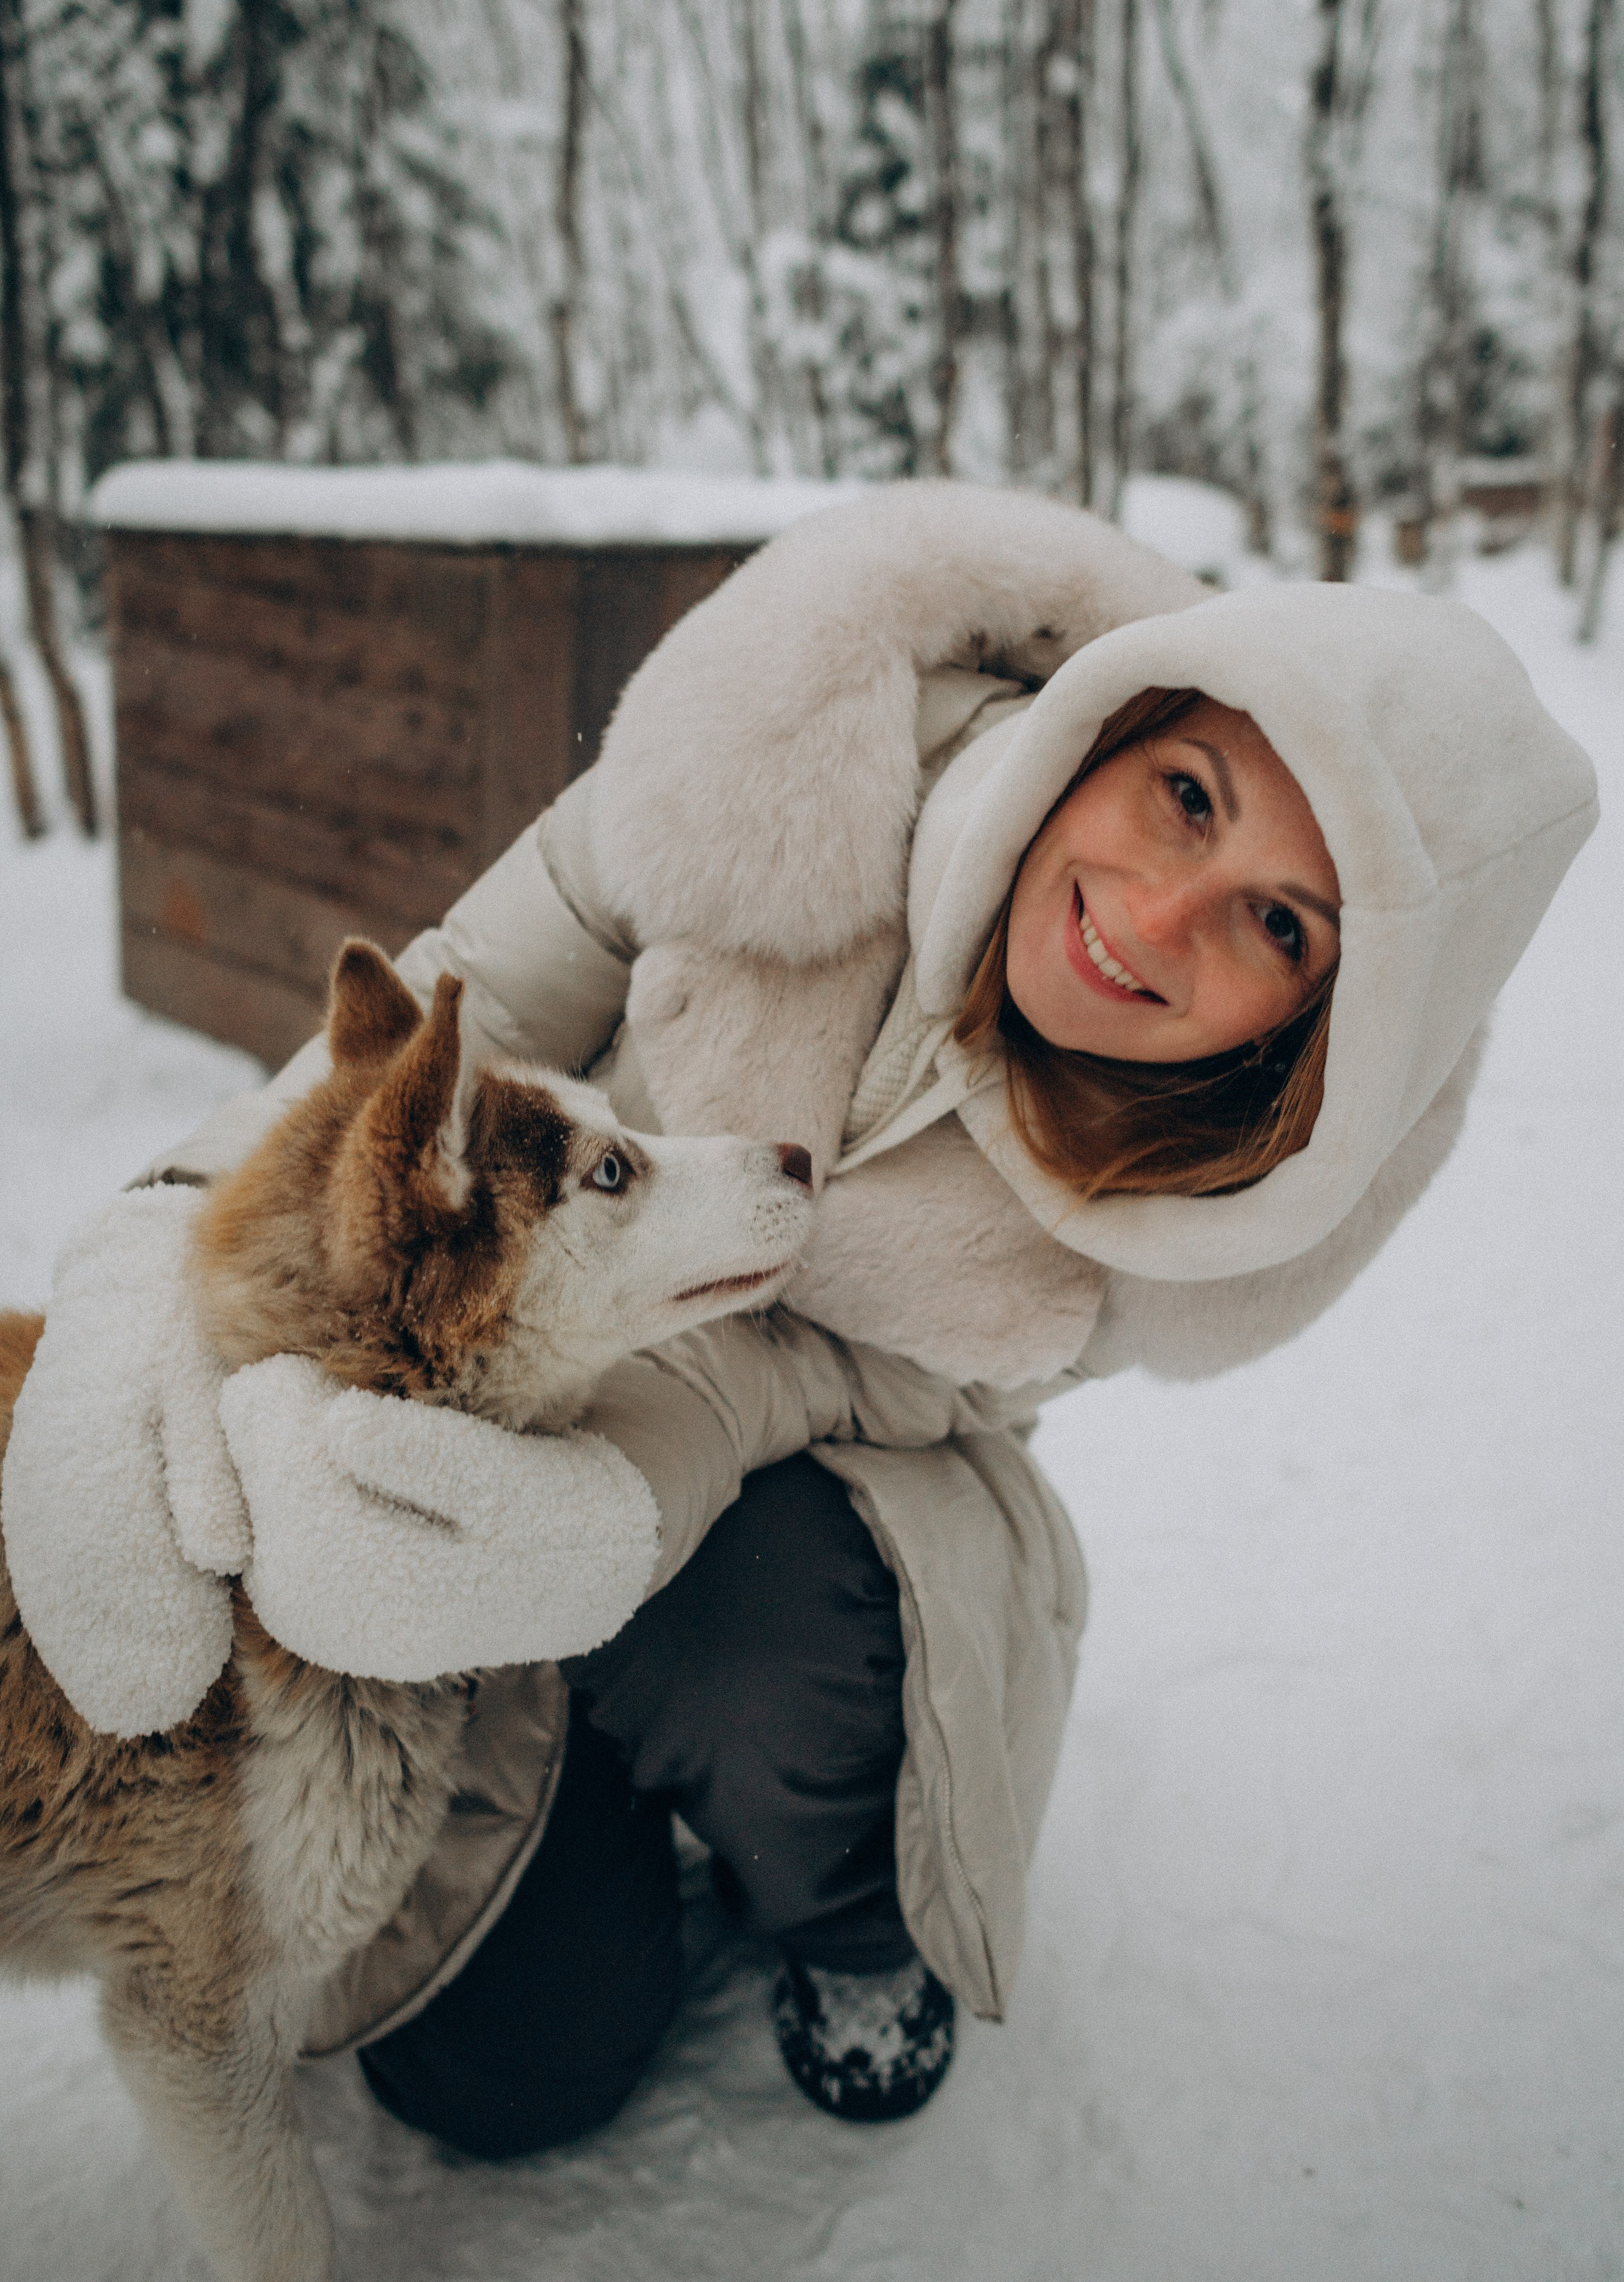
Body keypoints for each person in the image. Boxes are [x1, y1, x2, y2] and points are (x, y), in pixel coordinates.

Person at [13, 484, 1599, 2148]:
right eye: (1188, 797)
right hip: (510, 1359)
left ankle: (847, 1914)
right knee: (498, 2081)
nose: (1152, 919)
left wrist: (601, 1513)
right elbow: (444, 1007)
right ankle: (574, 1761)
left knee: (765, 1639)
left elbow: (819, 1372)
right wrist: (163, 1253)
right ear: (1114, 723)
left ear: (1310, 1027)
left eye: (1278, 924)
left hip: (816, 1504)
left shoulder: (1169, 1196)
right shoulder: (782, 751)